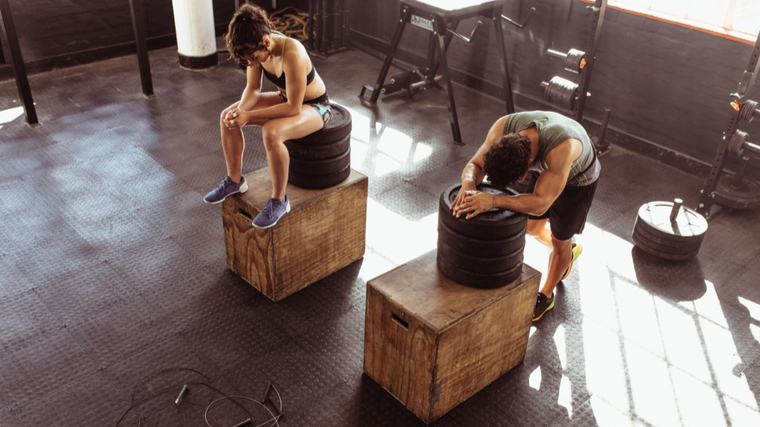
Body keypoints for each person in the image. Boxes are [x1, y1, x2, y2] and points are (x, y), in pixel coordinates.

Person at [451, 111, 600, 321]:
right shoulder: (502, 128)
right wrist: (468, 183)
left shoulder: (560, 151)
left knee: (559, 243)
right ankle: (569, 252)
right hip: (549, 169)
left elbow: (540, 204)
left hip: (578, 179)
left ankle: (547, 294)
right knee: (530, 227)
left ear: (529, 161)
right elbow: (475, 165)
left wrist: (493, 201)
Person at [203, 4, 332, 229]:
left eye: (253, 57)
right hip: (286, 99)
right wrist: (241, 112)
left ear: (265, 42)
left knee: (271, 132)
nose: (253, 62)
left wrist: (249, 116)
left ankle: (279, 201)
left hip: (315, 107)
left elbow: (293, 107)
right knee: (228, 117)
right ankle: (235, 181)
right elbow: (253, 88)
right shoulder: (257, 49)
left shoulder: (292, 52)